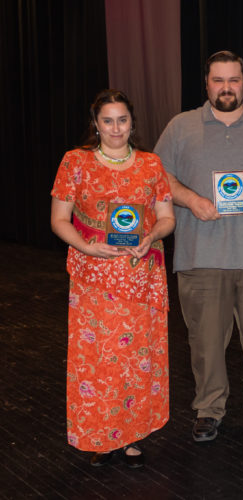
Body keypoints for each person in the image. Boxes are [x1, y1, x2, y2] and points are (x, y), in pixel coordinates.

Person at [154, 50, 243, 442]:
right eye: (218, 80)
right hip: (201, 257)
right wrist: (191, 199)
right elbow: (156, 177)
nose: (226, 88)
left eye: (233, 80)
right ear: (206, 84)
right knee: (204, 342)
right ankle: (208, 408)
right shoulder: (181, 127)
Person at [51, 89, 176, 468]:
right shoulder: (76, 162)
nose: (116, 128)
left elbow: (167, 218)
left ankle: (132, 436)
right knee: (100, 361)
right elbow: (58, 220)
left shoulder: (151, 165)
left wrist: (151, 236)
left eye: (122, 120)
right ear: (96, 124)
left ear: (132, 123)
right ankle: (101, 438)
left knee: (138, 360)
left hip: (142, 278)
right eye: (108, 120)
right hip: (94, 279)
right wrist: (87, 248)